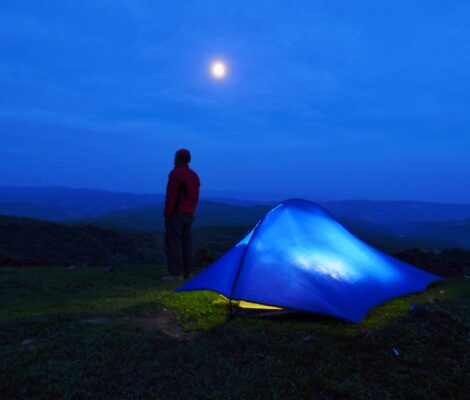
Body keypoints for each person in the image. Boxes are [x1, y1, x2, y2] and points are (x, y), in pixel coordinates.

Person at [162, 149, 200, 281]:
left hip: (177, 213)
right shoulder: (194, 175)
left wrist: (167, 213)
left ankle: (176, 273)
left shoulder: (176, 174)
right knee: (187, 242)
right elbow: (195, 196)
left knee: (174, 242)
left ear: (178, 158)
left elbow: (172, 195)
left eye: (175, 157)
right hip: (189, 213)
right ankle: (189, 272)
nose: (174, 159)